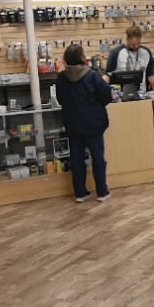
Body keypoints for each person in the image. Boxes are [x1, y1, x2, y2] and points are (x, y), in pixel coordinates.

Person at [56, 43, 113, 203]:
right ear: (82, 57)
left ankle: (80, 193)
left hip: (73, 125)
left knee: (77, 160)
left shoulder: (61, 77)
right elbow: (107, 96)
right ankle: (101, 192)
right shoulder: (92, 75)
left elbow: (60, 99)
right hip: (94, 124)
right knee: (98, 158)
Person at [104, 25, 154, 93]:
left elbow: (150, 74)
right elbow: (107, 74)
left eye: (138, 43)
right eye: (133, 44)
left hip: (142, 94)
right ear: (127, 39)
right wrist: (102, 88)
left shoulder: (146, 52)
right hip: (120, 95)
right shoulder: (116, 52)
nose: (136, 46)